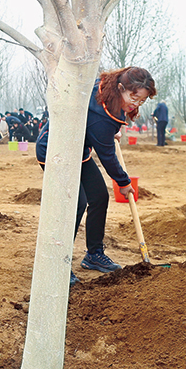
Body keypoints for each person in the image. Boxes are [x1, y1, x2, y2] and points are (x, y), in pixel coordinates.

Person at [36, 66, 156, 286]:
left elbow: (97, 129)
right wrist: (124, 182)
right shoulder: (102, 113)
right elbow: (107, 155)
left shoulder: (106, 91)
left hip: (77, 152)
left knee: (99, 196)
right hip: (55, 152)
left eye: (142, 100)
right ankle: (58, 264)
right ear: (121, 87)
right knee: (77, 203)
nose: (136, 104)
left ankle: (93, 255)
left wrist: (110, 131)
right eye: (133, 97)